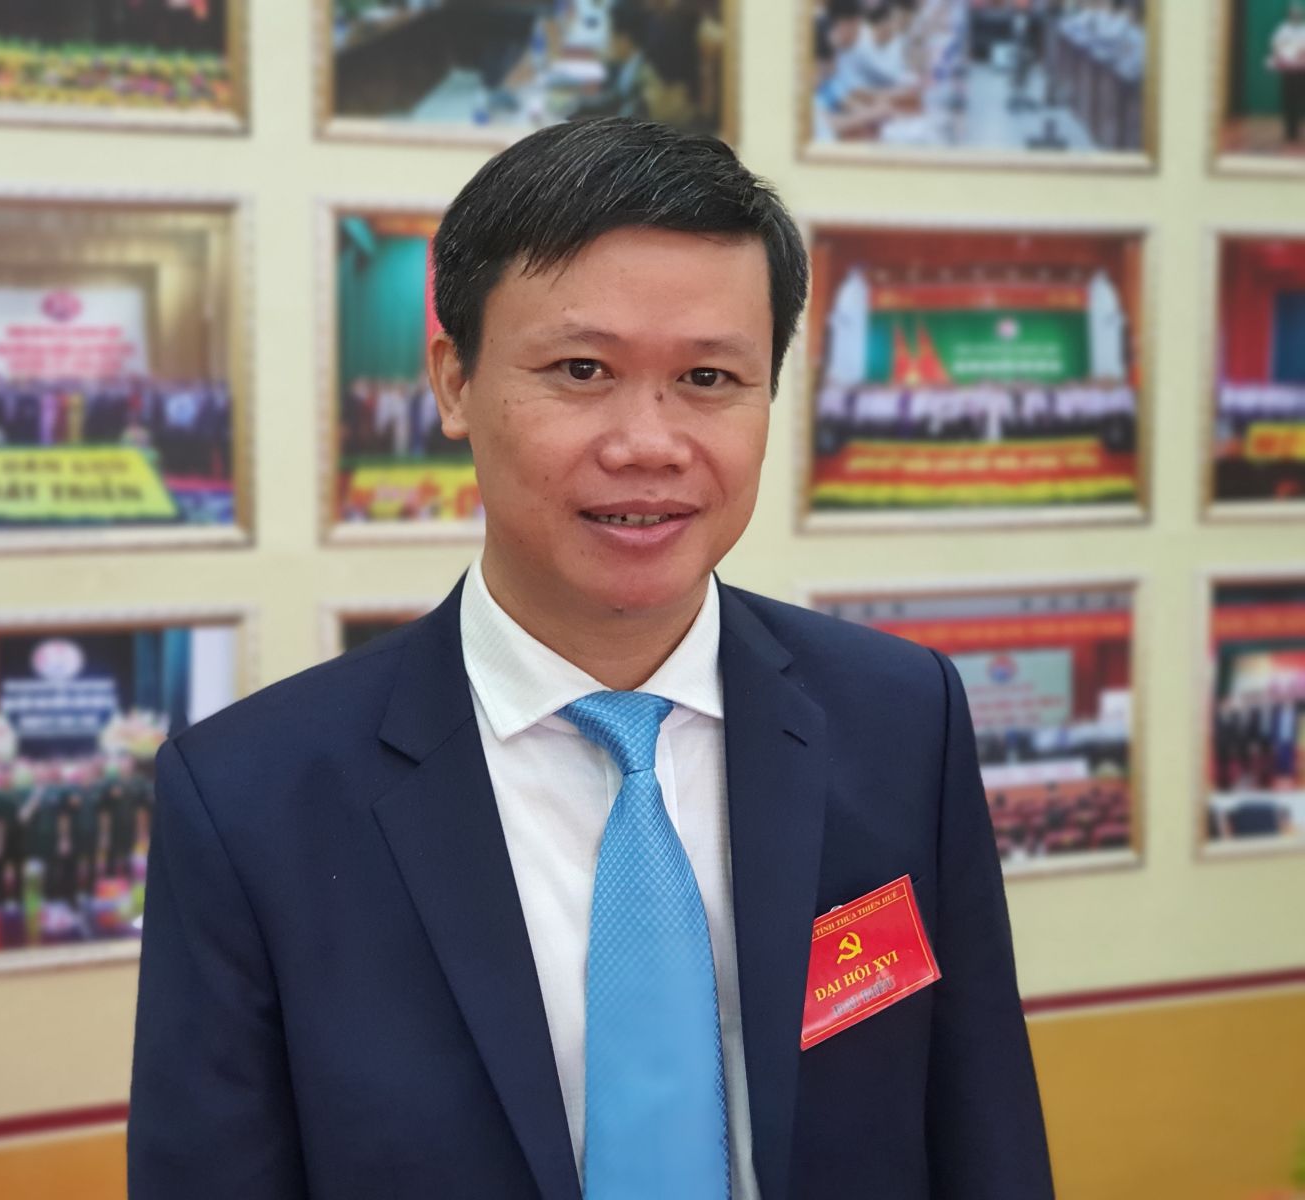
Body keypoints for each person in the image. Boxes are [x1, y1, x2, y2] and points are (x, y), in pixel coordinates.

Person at [128, 118, 1052, 1199]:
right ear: (454, 382)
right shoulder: (251, 802)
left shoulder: (899, 718)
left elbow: (983, 1135)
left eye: (708, 377)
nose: (647, 444)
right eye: (581, 369)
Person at [1269, 0, 1305, 145]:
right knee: (1288, 99)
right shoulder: (1283, 30)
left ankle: (1297, 130)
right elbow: (1276, 45)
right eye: (1293, 14)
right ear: (1289, 15)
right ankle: (1289, 131)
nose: (1296, 16)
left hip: (1301, 71)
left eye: (1298, 14)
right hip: (1288, 71)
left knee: (1299, 100)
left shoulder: (1304, 30)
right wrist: (1281, 53)